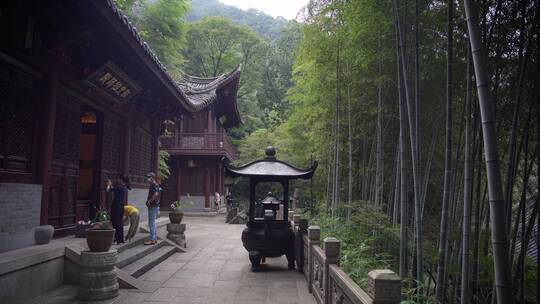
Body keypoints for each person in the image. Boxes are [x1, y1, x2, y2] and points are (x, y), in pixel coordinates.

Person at [106, 176, 130, 244]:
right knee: (120, 223)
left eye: (119, 179)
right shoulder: (124, 187)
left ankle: (117, 239)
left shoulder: (119, 187)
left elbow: (108, 190)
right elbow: (114, 189)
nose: (118, 180)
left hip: (116, 206)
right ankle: (121, 239)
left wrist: (108, 185)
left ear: (122, 180)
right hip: (121, 206)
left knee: (115, 223)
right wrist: (111, 185)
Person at [145, 172, 162, 245]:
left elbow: (156, 194)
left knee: (151, 223)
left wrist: (149, 201)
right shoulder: (156, 185)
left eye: (149, 177)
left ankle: (152, 239)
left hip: (153, 206)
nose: (147, 179)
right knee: (153, 223)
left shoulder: (153, 185)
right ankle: (154, 238)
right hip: (155, 205)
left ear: (152, 177)